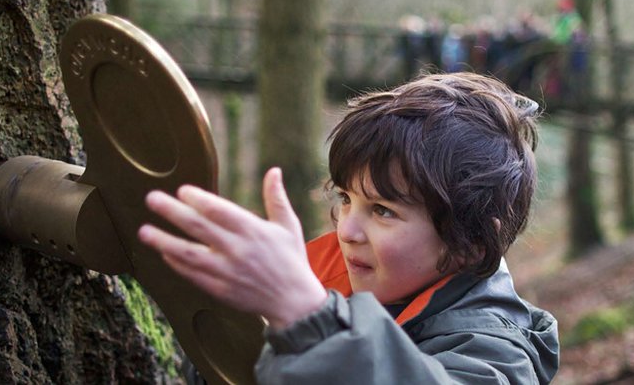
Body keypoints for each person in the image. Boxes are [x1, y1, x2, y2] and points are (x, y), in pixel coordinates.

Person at [138, 72, 559, 384]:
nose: (348, 231)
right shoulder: (331, 280)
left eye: (382, 211)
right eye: (345, 199)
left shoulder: (496, 353)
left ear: (469, 243)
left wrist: (306, 319)